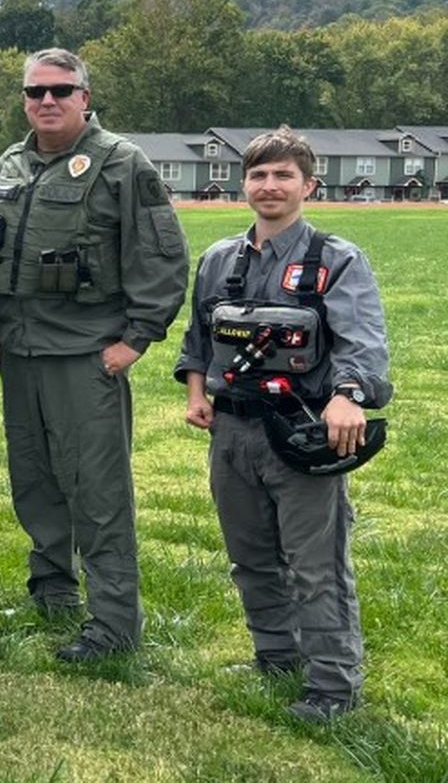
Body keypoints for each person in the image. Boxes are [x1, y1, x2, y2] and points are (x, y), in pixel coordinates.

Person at [174, 126, 392, 723]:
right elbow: (198, 340)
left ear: (308, 185)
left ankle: (332, 686)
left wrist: (348, 396)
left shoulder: (337, 260)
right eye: (259, 176)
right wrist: (197, 392)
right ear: (244, 184)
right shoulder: (219, 260)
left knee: (316, 565)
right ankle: (274, 655)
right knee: (249, 556)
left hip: (301, 436)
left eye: (283, 176)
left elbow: (363, 343)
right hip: (231, 432)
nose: (270, 186)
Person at [0, 48, 189, 661]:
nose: (47, 101)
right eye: (36, 91)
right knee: (36, 480)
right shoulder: (10, 165)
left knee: (97, 491)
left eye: (61, 90)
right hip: (19, 353)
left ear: (85, 97)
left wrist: (135, 340)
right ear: (24, 98)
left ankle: (114, 623)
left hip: (83, 354)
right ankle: (52, 590)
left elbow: (162, 257)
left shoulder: (122, 164)